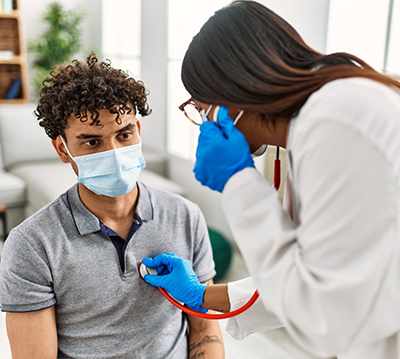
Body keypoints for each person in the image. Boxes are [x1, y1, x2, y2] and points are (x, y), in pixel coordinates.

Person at [142, 1, 400, 359]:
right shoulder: (317, 124)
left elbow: (322, 314)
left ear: (234, 92)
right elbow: (307, 279)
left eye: (203, 111)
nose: (206, 125)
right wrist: (201, 295)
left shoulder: (337, 121)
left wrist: (239, 183)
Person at [0, 54, 225, 359]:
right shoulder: (32, 244)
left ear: (138, 131)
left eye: (124, 134)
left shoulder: (186, 216)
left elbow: (205, 330)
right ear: (62, 149)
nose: (115, 153)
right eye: (92, 142)